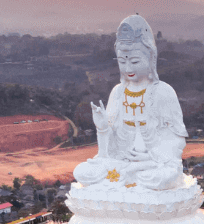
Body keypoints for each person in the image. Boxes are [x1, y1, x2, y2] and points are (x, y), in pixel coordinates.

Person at [73, 14, 188, 190]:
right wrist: (103, 127)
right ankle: (127, 177)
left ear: (151, 59)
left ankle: (133, 177)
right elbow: (107, 152)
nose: (128, 68)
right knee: (82, 172)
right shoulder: (118, 92)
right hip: (120, 162)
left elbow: (176, 139)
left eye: (135, 61)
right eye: (122, 61)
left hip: (151, 164)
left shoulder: (163, 91)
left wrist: (153, 157)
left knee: (163, 178)